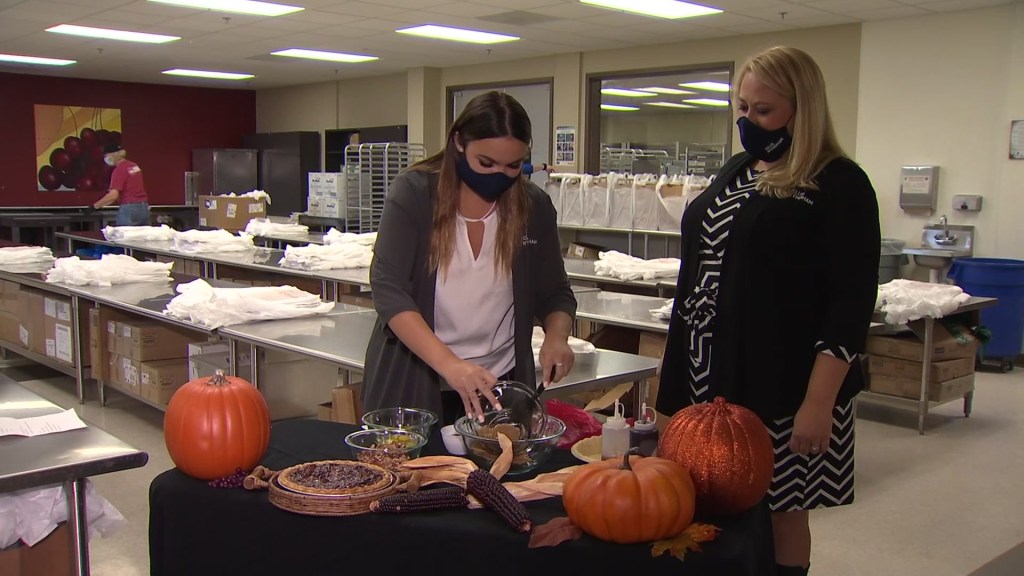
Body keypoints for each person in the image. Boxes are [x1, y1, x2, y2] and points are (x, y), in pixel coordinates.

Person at [656, 46, 880, 576]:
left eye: (764, 111)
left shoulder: (839, 183)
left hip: (787, 385)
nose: (747, 121)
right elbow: (699, 273)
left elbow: (850, 303)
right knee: (704, 499)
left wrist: (819, 402)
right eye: (742, 106)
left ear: (802, 108)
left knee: (782, 509)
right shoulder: (738, 169)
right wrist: (676, 366)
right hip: (709, 372)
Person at [363, 91, 577, 424]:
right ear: (459, 142)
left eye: (513, 166)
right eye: (486, 163)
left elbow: (556, 293)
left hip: (500, 388)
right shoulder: (415, 196)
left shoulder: (533, 208)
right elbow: (389, 291)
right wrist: (451, 364)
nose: (499, 176)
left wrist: (556, 336)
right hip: (419, 381)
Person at [87, 143, 150, 226]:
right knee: (141, 237)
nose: (106, 158)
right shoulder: (134, 166)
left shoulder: (119, 170)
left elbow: (113, 196)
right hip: (144, 208)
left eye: (106, 155)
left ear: (113, 155)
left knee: (123, 237)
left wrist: (94, 206)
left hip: (129, 209)